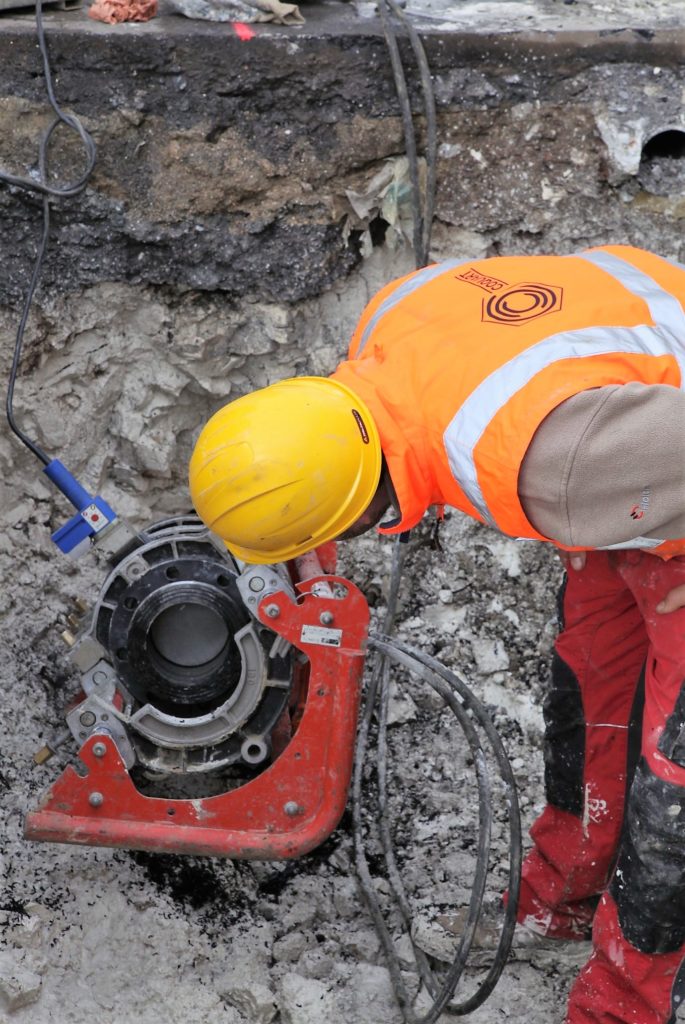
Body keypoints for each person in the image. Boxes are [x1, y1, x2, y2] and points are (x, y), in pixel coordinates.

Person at [189, 244, 685, 1024]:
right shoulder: (384, 322)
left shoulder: (540, 463)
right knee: (588, 695)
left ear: (360, 506)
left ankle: (626, 1005)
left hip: (643, 448)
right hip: (627, 448)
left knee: (673, 784)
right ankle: (560, 899)